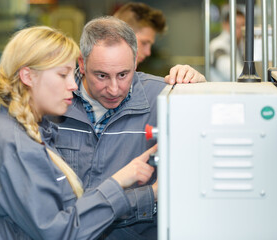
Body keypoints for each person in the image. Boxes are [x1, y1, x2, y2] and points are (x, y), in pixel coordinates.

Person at [0, 25, 159, 240]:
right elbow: (61, 232)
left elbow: (66, 214)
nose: (73, 85)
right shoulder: (18, 145)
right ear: (28, 76)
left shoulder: (32, 131)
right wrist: (120, 184)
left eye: (72, 75)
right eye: (63, 75)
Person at [51, 16, 206, 240]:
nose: (114, 89)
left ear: (135, 62)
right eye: (102, 75)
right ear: (82, 64)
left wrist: (199, 90)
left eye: (123, 75)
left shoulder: (163, 98)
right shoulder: (53, 103)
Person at [210, 9, 245, 81]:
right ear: (225, 25)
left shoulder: (240, 44)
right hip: (220, 90)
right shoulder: (217, 46)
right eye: (236, 25)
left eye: (243, 25)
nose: (240, 30)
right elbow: (230, 71)